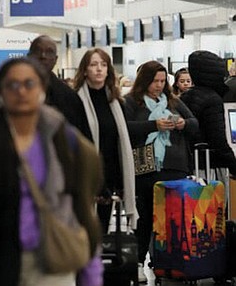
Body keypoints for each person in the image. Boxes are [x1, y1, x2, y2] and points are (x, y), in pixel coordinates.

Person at [0, 58, 103, 286]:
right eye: (12, 85)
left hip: (52, 256)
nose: (21, 91)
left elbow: (80, 204)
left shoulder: (62, 137)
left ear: (42, 89)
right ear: (1, 91)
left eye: (29, 84)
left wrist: (91, 266)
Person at [123, 60, 198, 283]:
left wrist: (183, 124)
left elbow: (195, 123)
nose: (158, 85)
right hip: (145, 168)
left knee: (173, 219)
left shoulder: (173, 101)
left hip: (174, 167)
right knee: (144, 217)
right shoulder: (130, 102)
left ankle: (169, 262)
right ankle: (138, 262)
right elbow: (124, 128)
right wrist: (153, 126)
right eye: (154, 81)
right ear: (144, 81)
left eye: (162, 81)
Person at [73, 49, 138, 233]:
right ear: (85, 70)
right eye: (93, 65)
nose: (99, 69)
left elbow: (118, 141)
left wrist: (121, 182)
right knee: (83, 230)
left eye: (103, 65)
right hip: (85, 175)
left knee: (101, 230)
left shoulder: (116, 102)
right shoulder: (76, 101)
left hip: (110, 174)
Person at [180, 51, 236, 175]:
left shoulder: (185, 96)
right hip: (209, 166)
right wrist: (233, 165)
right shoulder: (213, 99)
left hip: (189, 163)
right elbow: (218, 140)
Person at [27, 35, 92, 140]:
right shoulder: (11, 92)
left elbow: (80, 139)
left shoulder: (70, 98)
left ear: (55, 59)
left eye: (49, 52)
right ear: (29, 56)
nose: (43, 56)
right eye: (38, 50)